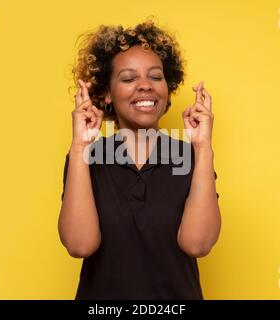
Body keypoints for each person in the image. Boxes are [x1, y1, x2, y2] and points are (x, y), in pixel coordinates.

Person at [58, 19, 221, 300]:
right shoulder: (86, 158)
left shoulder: (191, 158)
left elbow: (198, 244)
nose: (145, 86)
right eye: (129, 78)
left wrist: (203, 148)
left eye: (155, 77)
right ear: (107, 93)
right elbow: (79, 245)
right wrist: (79, 148)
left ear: (167, 87)